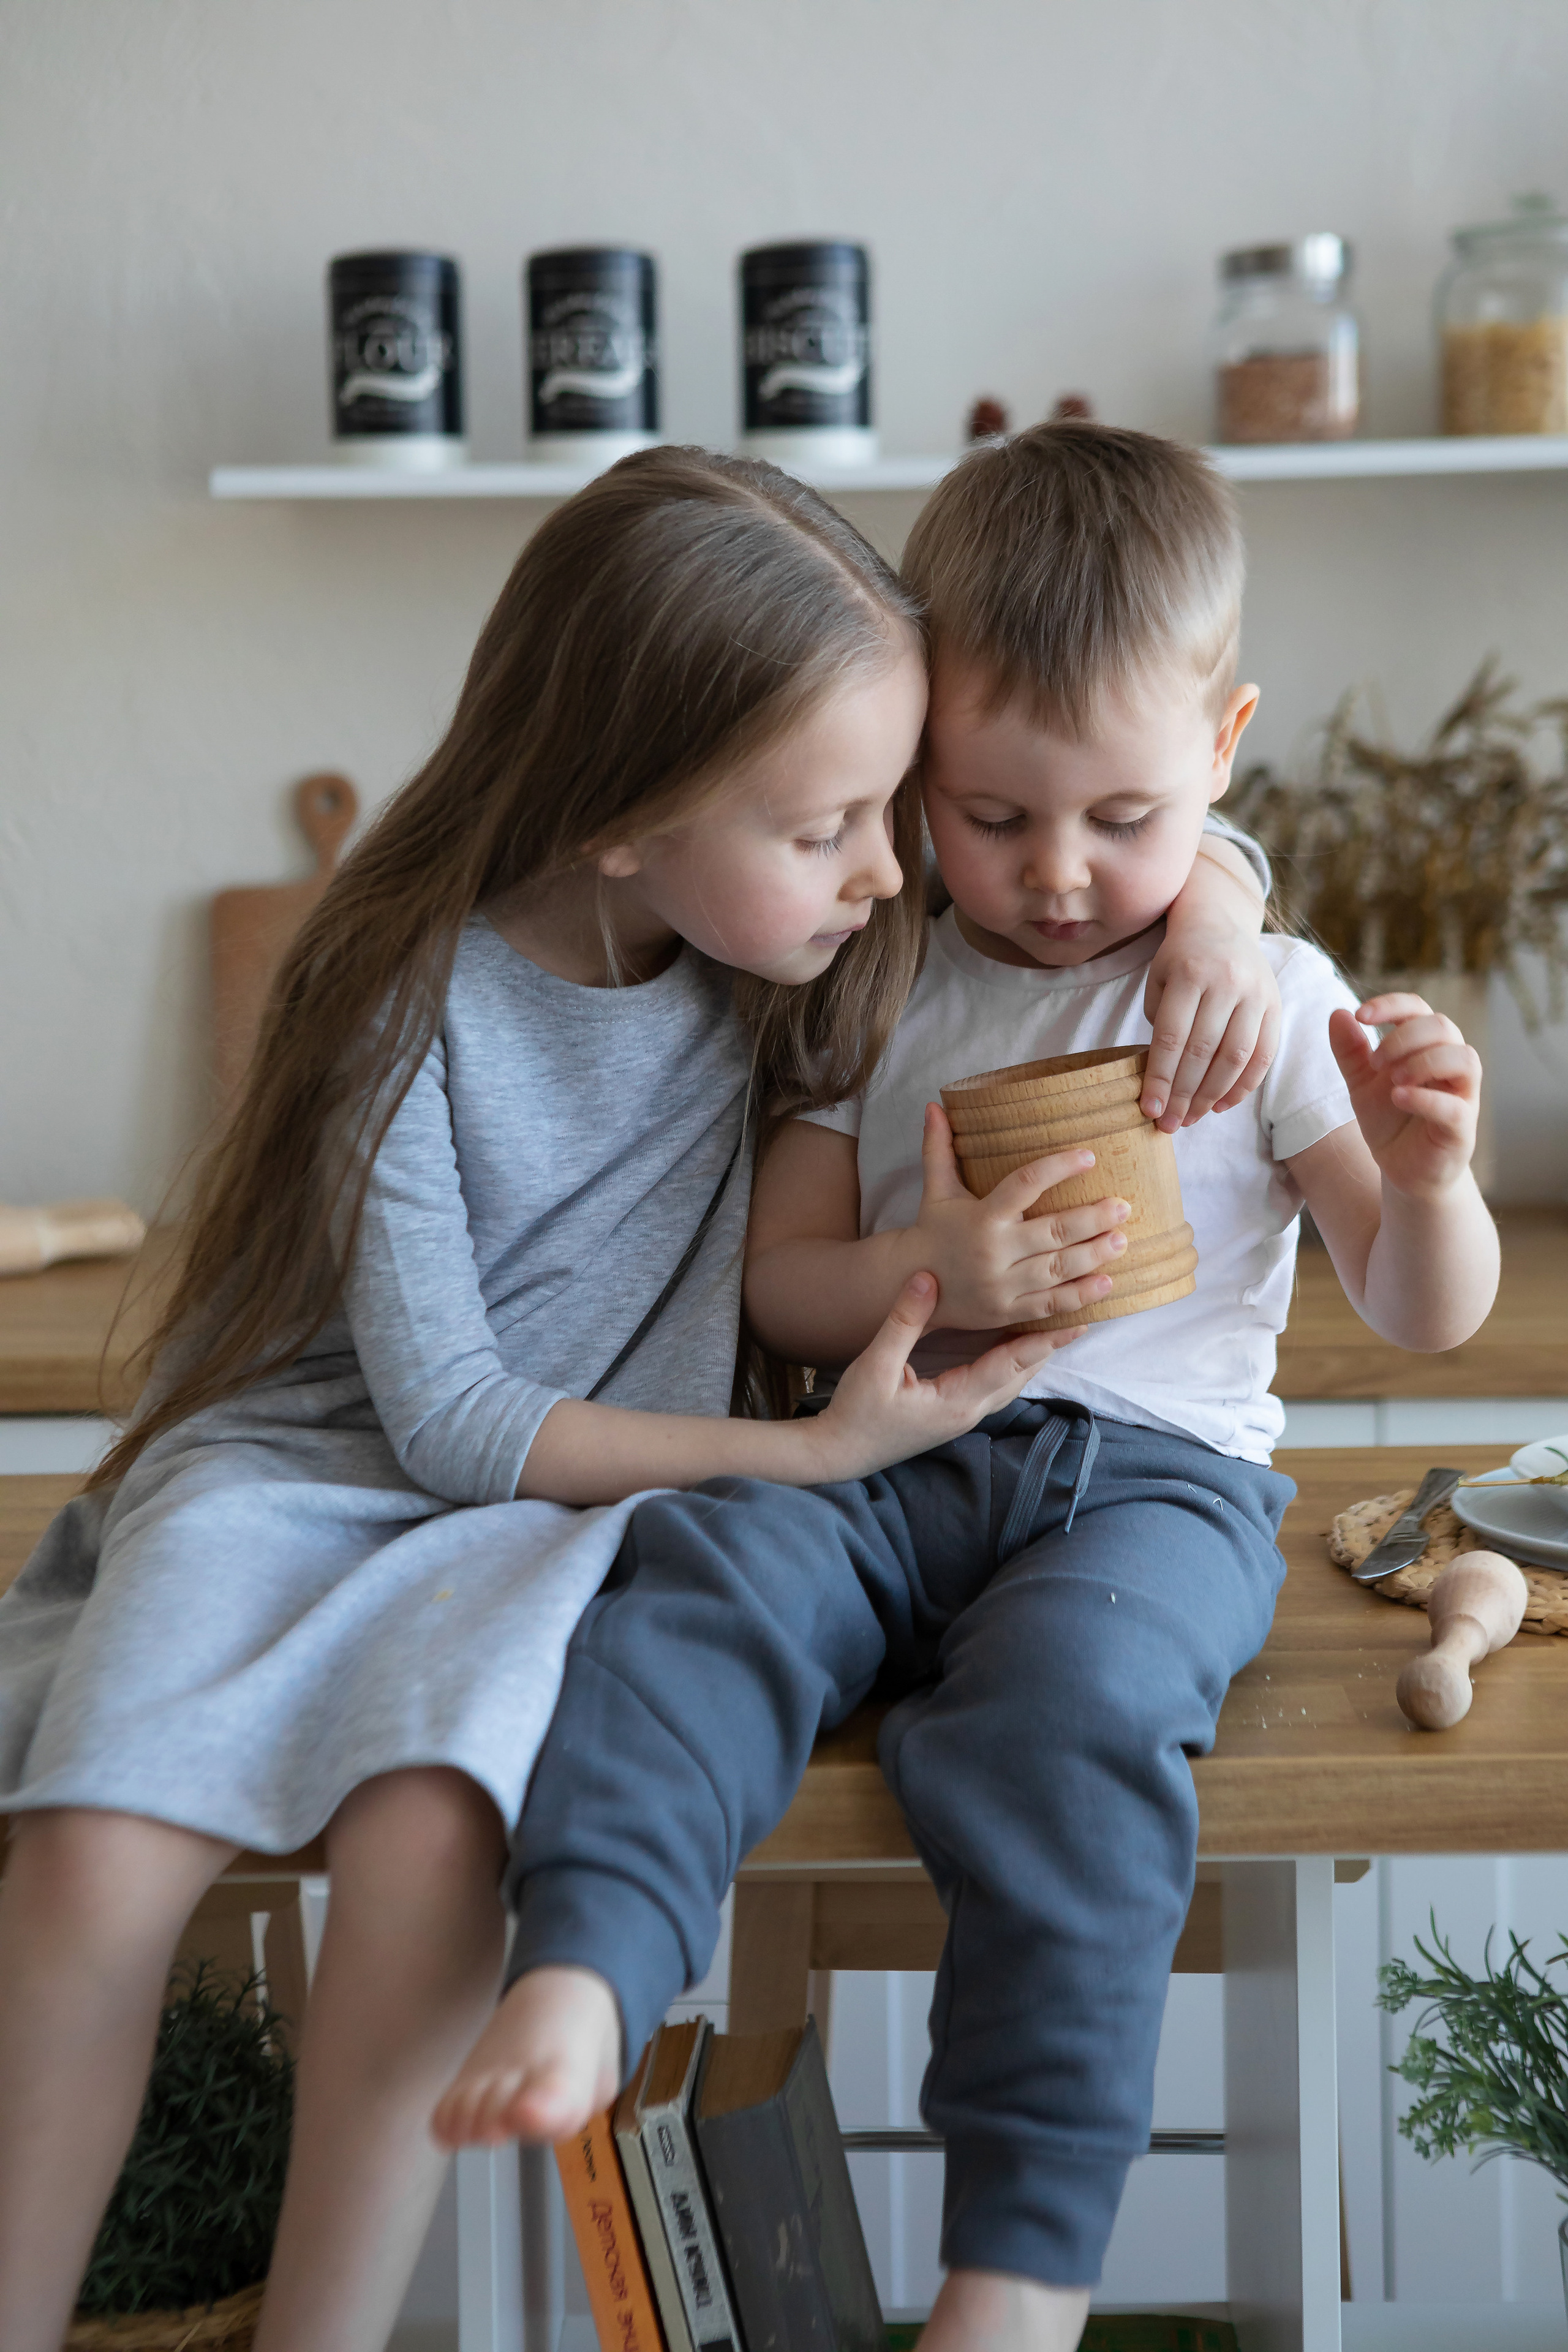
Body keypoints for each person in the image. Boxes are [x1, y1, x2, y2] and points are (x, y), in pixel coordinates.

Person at [0, 445, 1275, 2352]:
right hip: (320, 1469)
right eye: (838, 822)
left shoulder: (812, 953)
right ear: (625, 818)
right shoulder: (397, 990)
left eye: (890, 811)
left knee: (433, 1834)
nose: (888, 866)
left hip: (549, 1520)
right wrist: (813, 1453)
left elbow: (1132, 834)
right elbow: (441, 1420)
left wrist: (1227, 909)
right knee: (97, 1849)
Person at [435, 423, 1499, 2352]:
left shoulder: (1258, 999)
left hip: (1153, 1491)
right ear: (920, 767)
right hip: (888, 1447)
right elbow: (783, 1278)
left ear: (1224, 751)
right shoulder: (872, 979)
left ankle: (1015, 2276)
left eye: (1124, 818)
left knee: (1070, 1732)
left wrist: (1428, 1179)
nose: (1064, 874)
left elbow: (1421, 1312)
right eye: (994, 815)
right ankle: (586, 1966)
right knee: (698, 1590)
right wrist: (940, 1280)